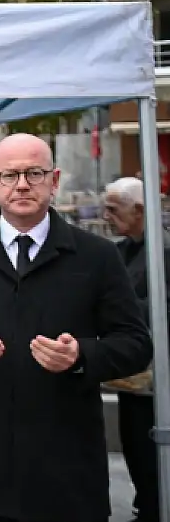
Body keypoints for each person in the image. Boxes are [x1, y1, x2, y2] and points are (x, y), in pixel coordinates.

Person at [0, 133, 153, 522]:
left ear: (54, 181)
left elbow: (136, 344)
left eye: (34, 173)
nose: (22, 184)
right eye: (9, 175)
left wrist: (80, 356)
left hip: (68, 471)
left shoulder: (97, 256)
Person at [101, 176, 169, 522]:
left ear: (139, 211)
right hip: (131, 373)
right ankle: (146, 504)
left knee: (153, 451)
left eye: (113, 210)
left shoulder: (163, 251)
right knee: (135, 446)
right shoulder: (119, 251)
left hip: (160, 376)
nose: (105, 216)